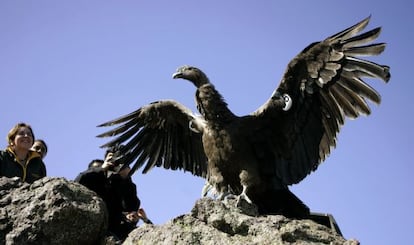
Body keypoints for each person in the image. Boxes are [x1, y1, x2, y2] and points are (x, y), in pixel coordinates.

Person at [75, 146, 149, 241]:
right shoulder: (94, 178)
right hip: (89, 226)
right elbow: (79, 182)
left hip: (112, 232)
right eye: (115, 159)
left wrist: (126, 179)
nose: (118, 163)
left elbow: (131, 207)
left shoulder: (120, 182)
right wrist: (101, 169)